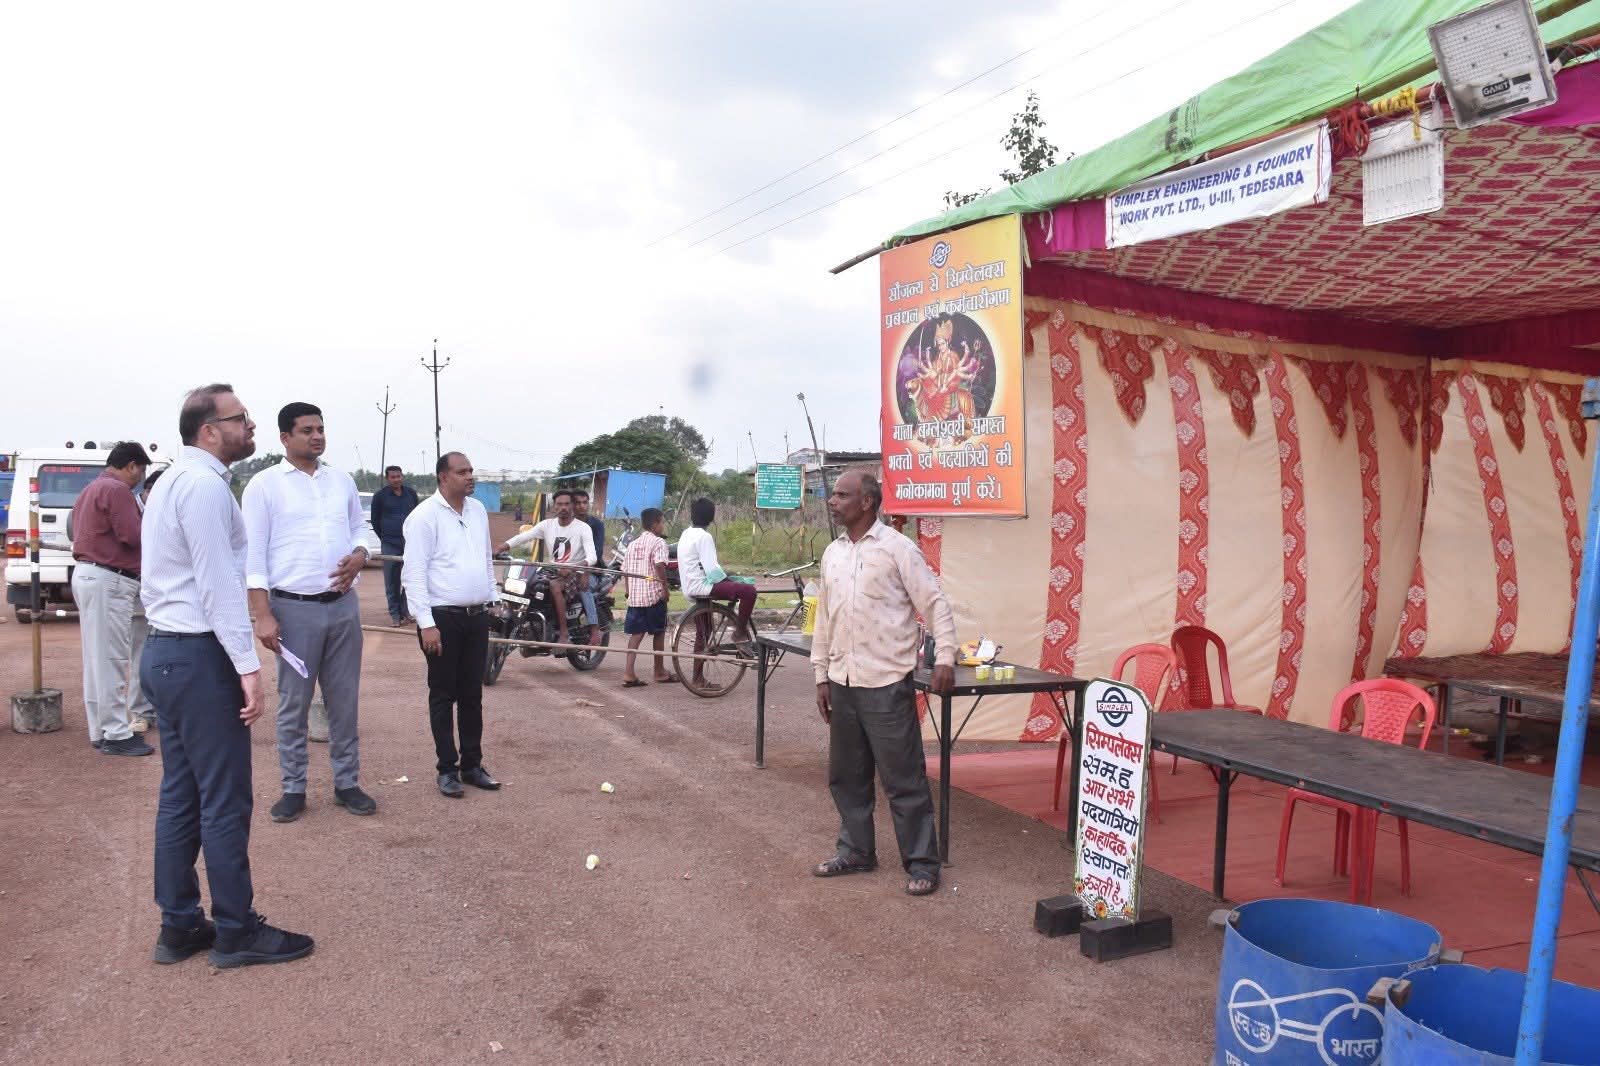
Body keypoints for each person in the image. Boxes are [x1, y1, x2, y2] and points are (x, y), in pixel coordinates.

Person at [140, 383, 313, 967]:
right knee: (224, 800)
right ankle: (236, 930)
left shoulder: (172, 481)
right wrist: (247, 667)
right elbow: (217, 585)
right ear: (210, 430)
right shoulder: (204, 487)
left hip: (167, 651)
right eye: (241, 418)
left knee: (181, 795)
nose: (252, 426)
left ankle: (180, 925)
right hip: (197, 655)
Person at [809, 471, 956, 898]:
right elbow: (825, 618)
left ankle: (923, 863)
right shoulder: (833, 553)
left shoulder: (897, 548)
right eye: (834, 495)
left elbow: (934, 602)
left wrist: (946, 656)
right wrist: (821, 675)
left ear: (867, 502)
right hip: (843, 680)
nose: (833, 501)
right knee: (846, 776)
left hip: (886, 682)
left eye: (842, 495)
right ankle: (856, 851)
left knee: (903, 778)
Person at [241, 403, 375, 824]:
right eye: (307, 430)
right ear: (285, 437)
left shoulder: (341, 481)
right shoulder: (264, 486)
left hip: (342, 607)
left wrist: (360, 553)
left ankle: (347, 783)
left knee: (344, 701)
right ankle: (293, 787)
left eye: (320, 429)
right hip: (293, 610)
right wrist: (263, 614)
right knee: (293, 704)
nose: (317, 436)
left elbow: (360, 528)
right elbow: (253, 556)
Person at [403, 452, 501, 798]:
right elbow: (413, 574)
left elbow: (484, 558)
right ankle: (447, 769)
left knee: (472, 694)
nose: (470, 476)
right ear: (443, 477)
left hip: (476, 616)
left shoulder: (477, 510)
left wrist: (492, 597)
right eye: (462, 472)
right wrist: (426, 624)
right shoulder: (423, 517)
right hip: (441, 619)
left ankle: (472, 765)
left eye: (471, 470)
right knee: (443, 695)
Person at [70, 441, 154, 755]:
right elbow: (132, 536)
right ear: (131, 465)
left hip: (90, 574)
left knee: (97, 659)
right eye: (140, 471)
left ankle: (101, 730)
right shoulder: (117, 490)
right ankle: (117, 733)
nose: (140, 478)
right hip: (109, 578)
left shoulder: (91, 488)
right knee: (111, 659)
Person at [495, 488, 598, 649]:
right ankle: (530, 624)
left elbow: (592, 557)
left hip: (574, 572)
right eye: (559, 504)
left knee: (555, 586)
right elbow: (523, 537)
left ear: (572, 506)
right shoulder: (547, 525)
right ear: (554, 506)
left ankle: (564, 634)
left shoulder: (583, 528)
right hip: (553, 570)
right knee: (529, 583)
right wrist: (502, 547)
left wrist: (573, 567)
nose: (563, 507)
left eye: (567, 504)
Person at [677, 497, 756, 670]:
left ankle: (697, 679)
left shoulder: (686, 533)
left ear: (692, 515)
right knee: (749, 592)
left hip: (690, 587)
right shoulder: (704, 536)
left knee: (704, 632)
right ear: (711, 518)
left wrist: (728, 578)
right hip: (703, 587)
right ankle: (739, 633)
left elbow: (705, 566)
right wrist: (728, 580)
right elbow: (712, 571)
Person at [620, 508, 673, 687]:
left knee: (636, 634)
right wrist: (665, 588)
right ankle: (659, 671)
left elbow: (625, 571)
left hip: (636, 597)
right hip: (653, 595)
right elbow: (659, 565)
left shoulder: (632, 544)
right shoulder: (658, 542)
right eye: (662, 522)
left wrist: (628, 591)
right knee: (659, 632)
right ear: (655, 524)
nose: (663, 526)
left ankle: (629, 672)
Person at [371, 465, 419, 626]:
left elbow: (417, 516)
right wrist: (385, 537)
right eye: (393, 477)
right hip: (389, 543)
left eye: (399, 476)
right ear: (387, 479)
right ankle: (395, 615)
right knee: (391, 581)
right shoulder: (380, 496)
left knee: (410, 578)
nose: (396, 479)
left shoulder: (411, 494)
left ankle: (406, 610)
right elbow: (375, 520)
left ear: (402, 476)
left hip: (410, 543)